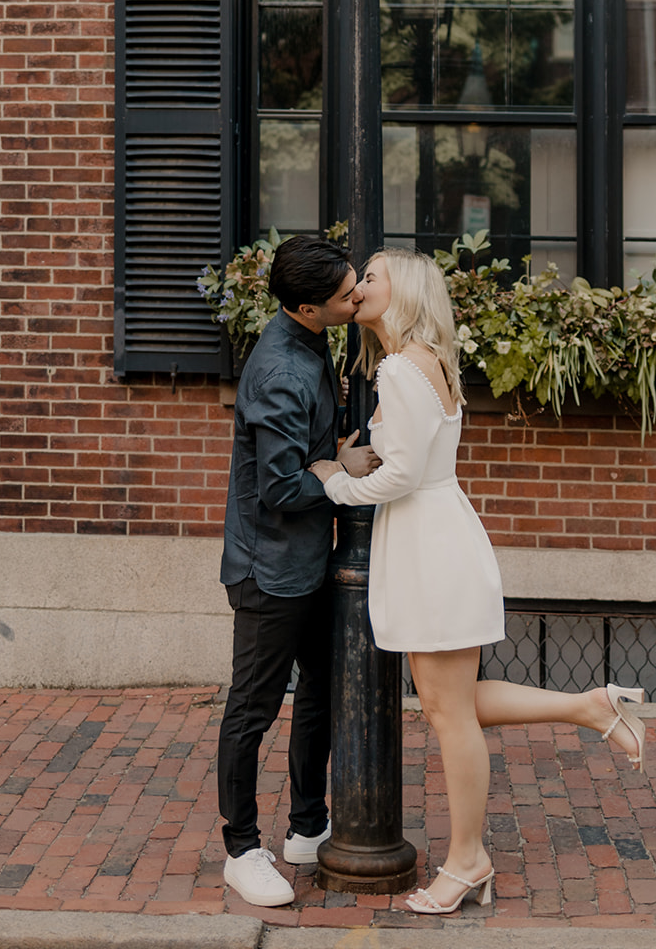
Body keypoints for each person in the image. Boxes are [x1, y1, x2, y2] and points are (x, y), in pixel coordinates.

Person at [309, 248, 648, 917]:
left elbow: (400, 475)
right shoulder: (422, 360)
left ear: (399, 293)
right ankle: (590, 708)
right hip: (437, 536)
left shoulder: (400, 367)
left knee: (446, 713)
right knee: (449, 703)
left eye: (370, 278)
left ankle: (466, 860)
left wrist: (335, 484)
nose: (357, 287)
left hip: (428, 545)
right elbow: (411, 457)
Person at [217, 233, 381, 908]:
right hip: (269, 570)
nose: (357, 298)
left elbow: (309, 455)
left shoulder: (315, 340)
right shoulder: (282, 368)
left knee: (318, 691)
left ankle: (306, 829)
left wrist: (329, 455)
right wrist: (338, 471)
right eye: (347, 296)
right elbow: (280, 489)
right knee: (251, 710)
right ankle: (241, 849)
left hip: (311, 559)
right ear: (308, 309)